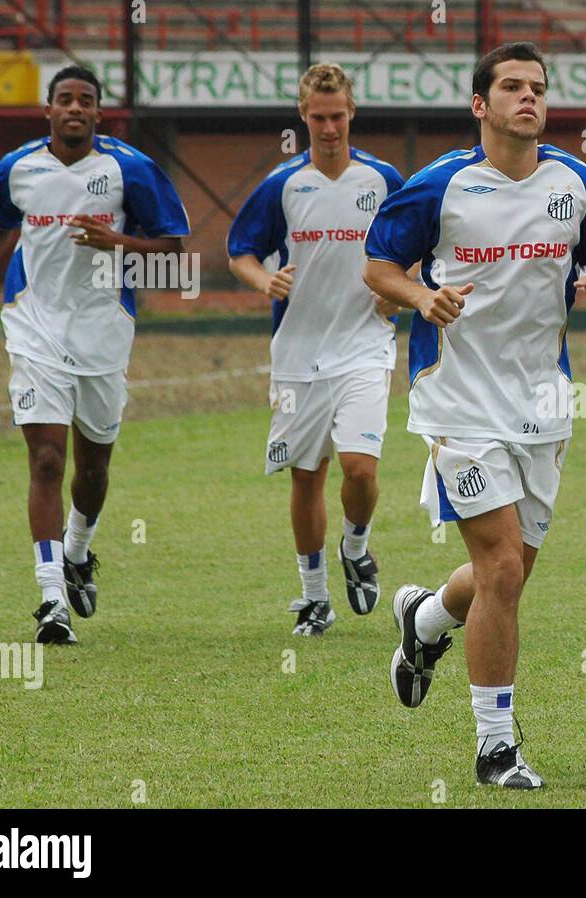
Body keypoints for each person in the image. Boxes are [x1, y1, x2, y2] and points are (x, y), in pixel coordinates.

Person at [364, 42, 586, 789]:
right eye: (512, 87)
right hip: (456, 401)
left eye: (538, 88)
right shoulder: (438, 187)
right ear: (480, 105)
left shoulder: (577, 184)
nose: (529, 98)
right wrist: (421, 297)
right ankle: (495, 748)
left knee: (507, 576)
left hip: (543, 404)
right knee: (503, 567)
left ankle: (424, 621)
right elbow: (378, 265)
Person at [0, 65, 190, 644]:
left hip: (103, 330)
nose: (75, 109)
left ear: (97, 111)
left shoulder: (128, 168)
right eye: (65, 100)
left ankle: (79, 550)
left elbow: (174, 253)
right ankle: (51, 598)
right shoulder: (19, 167)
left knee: (93, 467)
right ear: (49, 109)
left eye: (86, 100)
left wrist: (120, 242)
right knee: (45, 462)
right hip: (34, 325)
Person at [228, 63, 403, 635]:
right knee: (306, 475)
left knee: (358, 467)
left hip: (365, 345)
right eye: (318, 117)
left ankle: (356, 546)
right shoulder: (283, 184)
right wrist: (264, 282)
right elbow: (242, 252)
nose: (329, 127)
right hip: (298, 353)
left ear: (352, 112)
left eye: (338, 116)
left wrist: (403, 291)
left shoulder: (383, 180)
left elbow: (418, 242)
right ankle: (313, 596)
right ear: (303, 117)